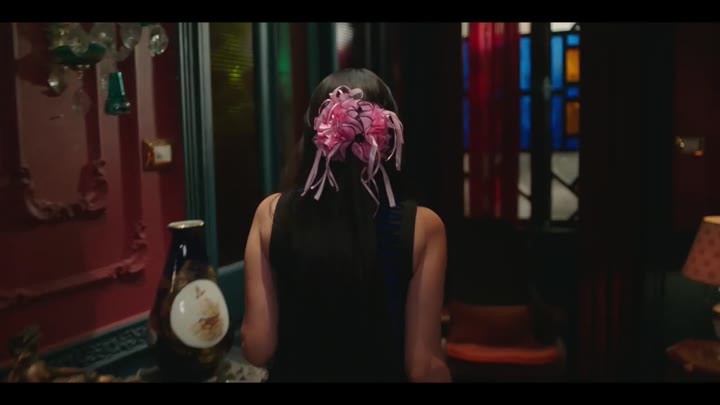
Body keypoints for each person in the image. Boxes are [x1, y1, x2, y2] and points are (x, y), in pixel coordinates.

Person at [240, 68, 450, 382]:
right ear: (387, 137)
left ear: (315, 135)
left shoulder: (270, 213)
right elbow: (422, 368)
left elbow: (257, 348)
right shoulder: (424, 227)